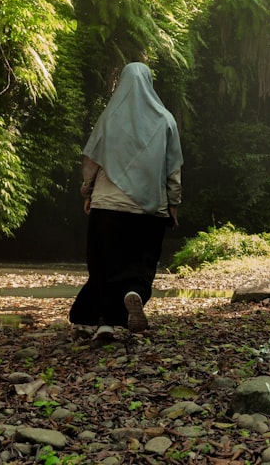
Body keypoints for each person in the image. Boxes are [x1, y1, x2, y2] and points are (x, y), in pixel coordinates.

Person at [68, 62, 183, 341]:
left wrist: (88, 191)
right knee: (142, 263)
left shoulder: (110, 118)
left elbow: (92, 160)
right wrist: (173, 204)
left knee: (104, 266)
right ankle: (135, 295)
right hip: (150, 208)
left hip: (107, 205)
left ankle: (104, 324)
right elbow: (173, 169)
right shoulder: (166, 120)